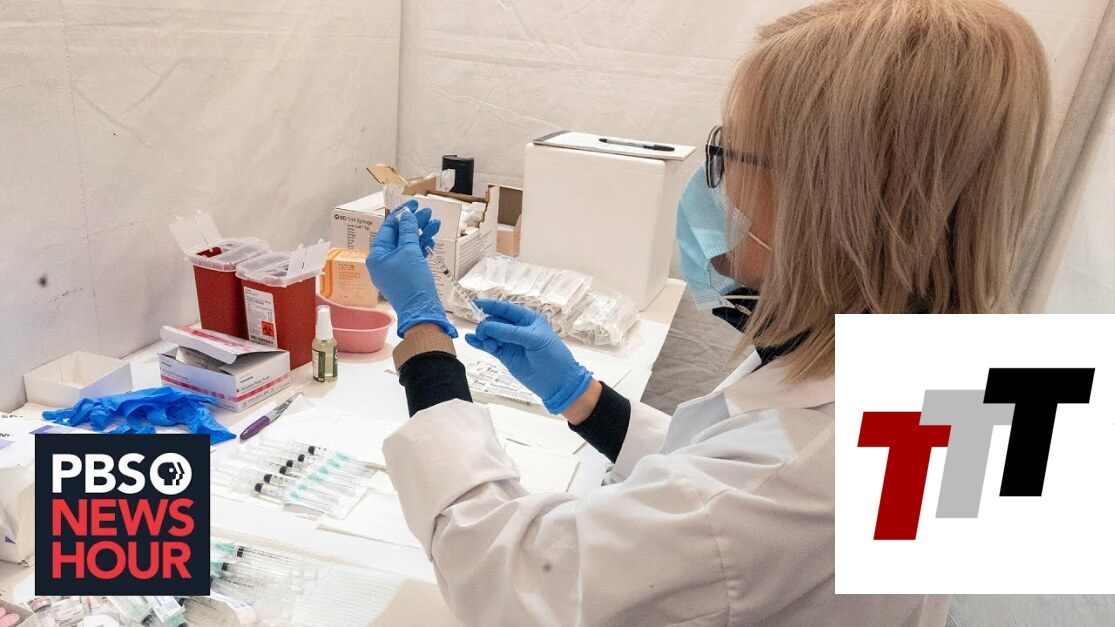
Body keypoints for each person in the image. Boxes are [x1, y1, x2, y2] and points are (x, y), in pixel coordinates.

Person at [366, 0, 1050, 624]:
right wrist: (583, 397)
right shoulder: (962, 380)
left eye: (728, 154)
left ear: (828, 199)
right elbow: (719, 487)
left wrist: (424, 335)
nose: (711, 186)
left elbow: (506, 575)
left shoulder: (802, 468)